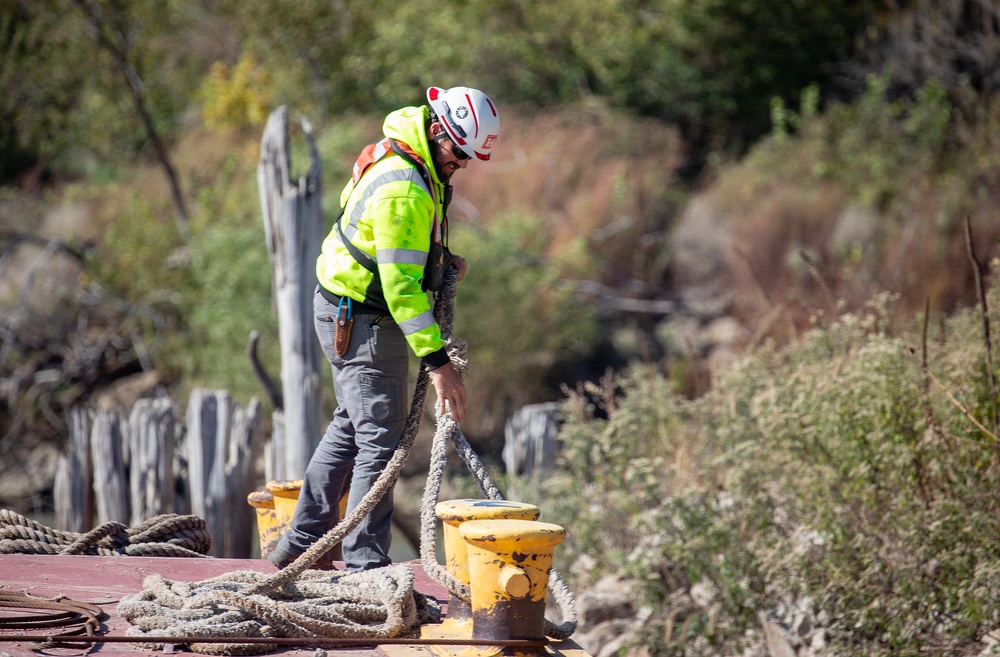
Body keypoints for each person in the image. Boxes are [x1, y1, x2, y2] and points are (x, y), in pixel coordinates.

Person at [268, 86, 501, 572]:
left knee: (353, 427)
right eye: (459, 153)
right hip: (364, 320)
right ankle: (366, 567)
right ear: (438, 132)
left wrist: (437, 262)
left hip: (345, 310)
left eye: (469, 157)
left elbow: (387, 245)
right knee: (382, 440)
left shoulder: (408, 155)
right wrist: (439, 365)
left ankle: (299, 545)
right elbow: (400, 289)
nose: (462, 164)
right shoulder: (405, 187)